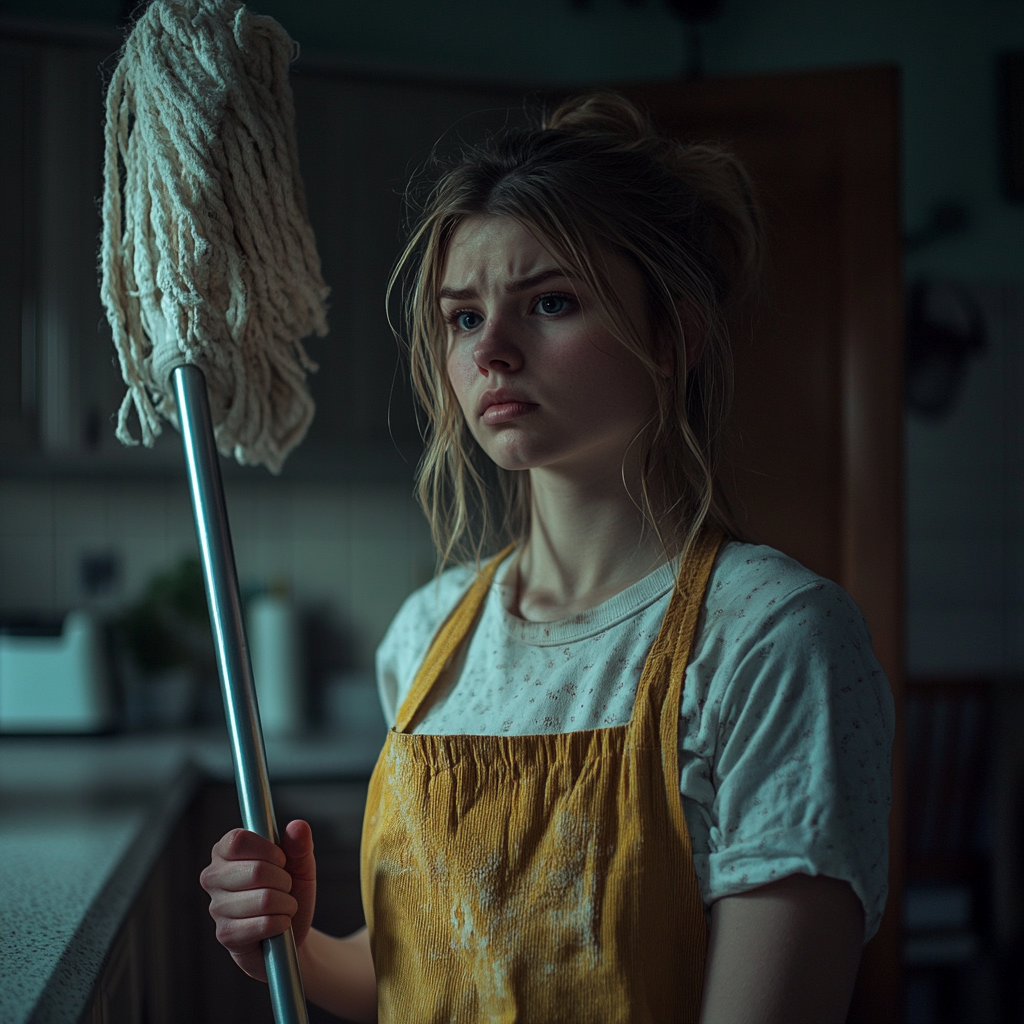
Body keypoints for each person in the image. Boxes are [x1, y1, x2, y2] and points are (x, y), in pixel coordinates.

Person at [200, 92, 894, 1024]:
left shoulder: (772, 640)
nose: (492, 350)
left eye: (552, 302)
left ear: (671, 337)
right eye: (462, 317)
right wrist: (295, 948)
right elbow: (423, 975)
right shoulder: (428, 636)